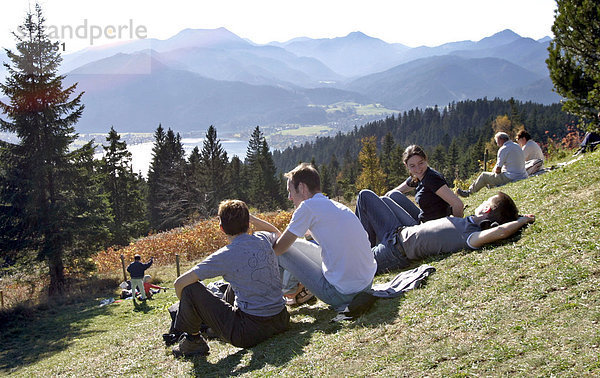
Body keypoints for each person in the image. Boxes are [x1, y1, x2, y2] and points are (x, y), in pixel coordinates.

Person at [251, 163, 377, 312]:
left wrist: (251, 221)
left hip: (341, 293)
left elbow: (279, 248)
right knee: (295, 244)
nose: (289, 197)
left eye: (290, 191)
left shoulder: (307, 207)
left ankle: (285, 294)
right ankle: (296, 288)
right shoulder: (333, 205)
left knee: (276, 247)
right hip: (366, 285)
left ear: (302, 188)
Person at [171, 200, 289, 358]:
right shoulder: (263, 239)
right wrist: (251, 219)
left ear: (221, 228)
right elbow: (277, 234)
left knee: (190, 289)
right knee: (238, 281)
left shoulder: (225, 255)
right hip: (281, 319)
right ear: (248, 222)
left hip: (249, 332)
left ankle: (193, 341)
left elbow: (179, 283)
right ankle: (213, 328)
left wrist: (191, 308)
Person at [356, 189, 535, 274]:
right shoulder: (468, 222)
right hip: (404, 231)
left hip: (395, 249)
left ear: (486, 209)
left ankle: (360, 252)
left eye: (485, 201)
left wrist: (521, 220)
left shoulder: (471, 235)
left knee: (365, 196)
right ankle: (366, 247)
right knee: (391, 196)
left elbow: (501, 232)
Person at [384, 145, 464, 224]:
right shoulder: (418, 176)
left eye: (420, 163)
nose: (418, 169)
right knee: (392, 195)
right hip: (423, 219)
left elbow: (458, 204)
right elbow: (396, 192)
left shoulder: (432, 178)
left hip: (432, 227)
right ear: (406, 165)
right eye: (412, 166)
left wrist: (457, 227)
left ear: (426, 159)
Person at [457, 132, 528, 197]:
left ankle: (469, 192)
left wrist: (494, 173)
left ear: (500, 140)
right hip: (523, 175)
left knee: (484, 176)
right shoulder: (517, 146)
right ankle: (490, 186)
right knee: (492, 177)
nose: (497, 144)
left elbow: (498, 170)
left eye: (497, 141)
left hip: (511, 177)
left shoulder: (503, 149)